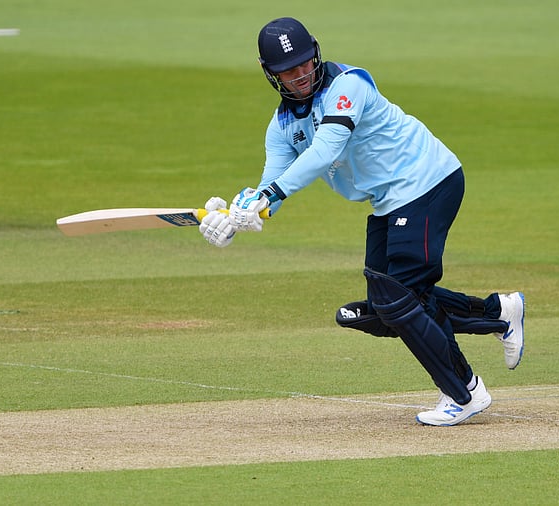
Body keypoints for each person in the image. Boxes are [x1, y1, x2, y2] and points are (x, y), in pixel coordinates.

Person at [199, 17, 525, 426]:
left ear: (316, 54)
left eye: (304, 63)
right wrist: (237, 215)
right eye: (288, 69)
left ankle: (464, 392)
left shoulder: (347, 85)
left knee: (396, 298)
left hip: (428, 180)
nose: (300, 74)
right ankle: (499, 313)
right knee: (383, 310)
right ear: (271, 74)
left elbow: (322, 152)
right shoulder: (281, 125)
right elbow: (272, 182)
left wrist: (267, 196)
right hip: (389, 200)